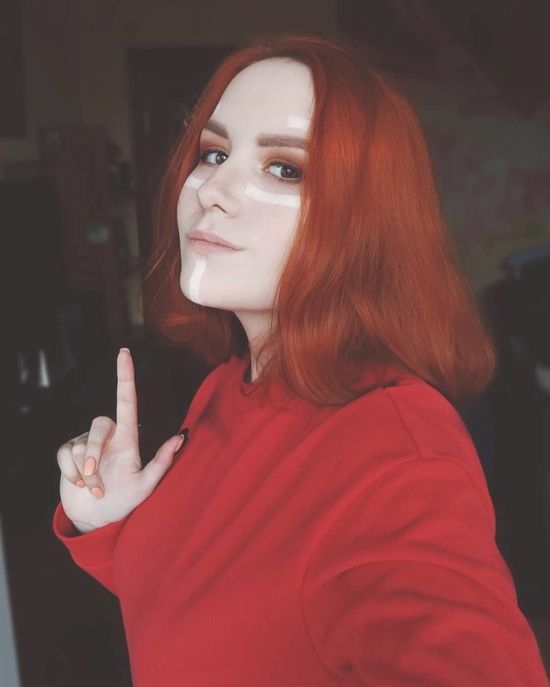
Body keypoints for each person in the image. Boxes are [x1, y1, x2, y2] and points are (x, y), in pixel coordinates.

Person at [52, 31, 549, 686]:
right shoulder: (226, 387)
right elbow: (230, 618)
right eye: (214, 152)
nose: (213, 189)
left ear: (364, 220)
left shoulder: (401, 456)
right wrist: (110, 522)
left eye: (284, 168)